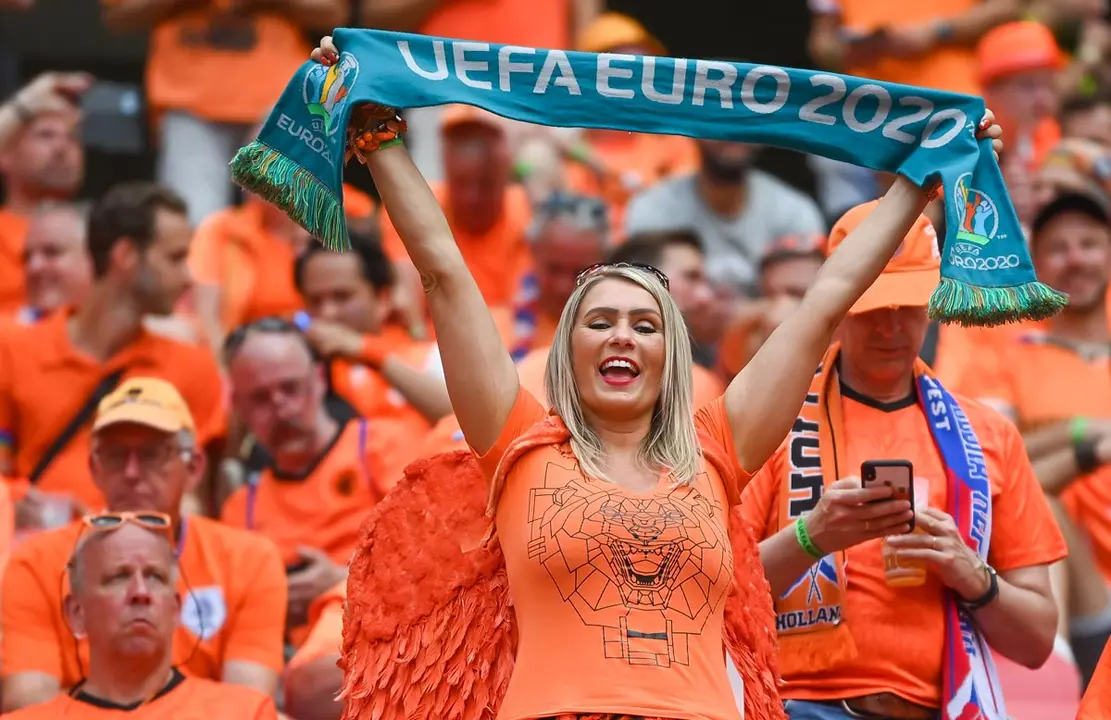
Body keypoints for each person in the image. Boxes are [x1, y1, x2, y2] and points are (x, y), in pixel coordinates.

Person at [308, 34, 1004, 720]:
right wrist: (376, 137)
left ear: (672, 356)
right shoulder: (517, 443)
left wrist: (926, 178)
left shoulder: (717, 447)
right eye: (599, 321)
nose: (621, 335)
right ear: (565, 352)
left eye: (645, 325)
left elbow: (825, 303)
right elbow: (445, 275)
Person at [739, 200, 1066, 720]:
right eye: (872, 308)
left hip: (940, 706)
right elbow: (712, 596)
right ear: (838, 304)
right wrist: (811, 536)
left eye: (907, 305)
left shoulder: (988, 435)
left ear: (934, 300)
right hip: (794, 704)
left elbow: (1036, 641)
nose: (890, 328)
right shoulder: (767, 422)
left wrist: (972, 575)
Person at [1, 377, 286, 711]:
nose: (132, 472)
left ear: (193, 467)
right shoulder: (36, 561)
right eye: (116, 455)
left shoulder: (248, 559)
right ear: (95, 468)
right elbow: (30, 700)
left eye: (152, 454)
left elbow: (244, 704)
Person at [0, 181, 226, 525]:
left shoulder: (192, 365)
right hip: (35, 557)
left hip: (145, 563)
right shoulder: (13, 351)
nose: (188, 277)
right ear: (126, 256)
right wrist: (19, 502)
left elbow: (201, 498)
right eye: (175, 257)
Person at [965, 191, 1111, 689]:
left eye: (1090, 244)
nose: (1076, 259)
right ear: (1036, 264)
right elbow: (988, 466)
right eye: (1058, 248)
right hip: (1066, 575)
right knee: (1037, 493)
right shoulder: (1010, 353)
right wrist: (1086, 436)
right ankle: (1052, 659)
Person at [219, 318, 416, 637]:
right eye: (260, 398)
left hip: (392, 634)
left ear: (320, 379)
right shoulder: (242, 510)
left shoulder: (382, 447)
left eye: (290, 388)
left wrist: (343, 579)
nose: (280, 407)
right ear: (239, 407)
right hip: (292, 662)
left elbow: (429, 555)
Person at [2, 515, 279, 719]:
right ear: (77, 613)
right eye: (118, 577)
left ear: (175, 609)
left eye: (155, 577)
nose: (140, 592)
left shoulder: (244, 712)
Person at [624, 135, 826, 294]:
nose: (732, 131)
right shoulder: (654, 209)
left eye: (745, 118)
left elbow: (806, 302)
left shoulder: (794, 211)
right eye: (719, 115)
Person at [293, 232, 452, 433]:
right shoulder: (300, 369)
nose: (327, 312)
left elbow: (461, 421)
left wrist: (366, 351)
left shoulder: (429, 358)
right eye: (315, 301)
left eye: (342, 297)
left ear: (383, 299)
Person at [0, 72, 87, 313]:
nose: (61, 147)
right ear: (4, 155)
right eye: (45, 135)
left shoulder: (100, 236)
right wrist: (24, 105)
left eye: (72, 139)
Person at [14, 201, 93, 325]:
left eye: (52, 253)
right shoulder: (8, 336)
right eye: (27, 257)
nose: (33, 267)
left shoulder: (128, 334)